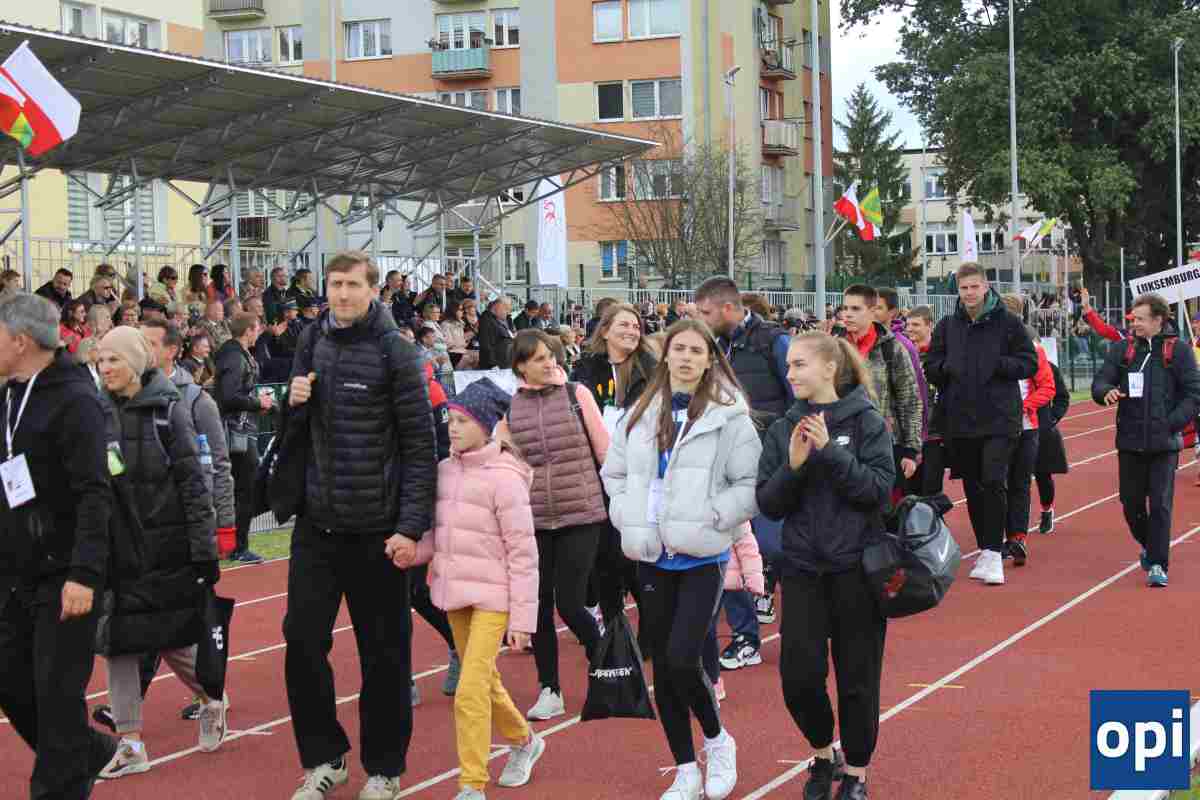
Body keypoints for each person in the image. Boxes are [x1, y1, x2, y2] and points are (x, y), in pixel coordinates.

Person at [283, 251, 436, 800]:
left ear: (373, 290)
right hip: (317, 526)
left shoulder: (397, 351)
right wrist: (292, 402)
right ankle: (325, 757)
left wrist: (410, 527)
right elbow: (296, 431)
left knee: (385, 656)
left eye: (352, 284)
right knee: (302, 644)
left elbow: (420, 445)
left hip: (379, 532)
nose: (342, 294)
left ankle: (384, 767)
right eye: (334, 284)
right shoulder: (311, 339)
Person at [601, 319, 760, 800]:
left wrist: (715, 517)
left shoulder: (729, 416)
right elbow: (614, 473)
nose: (687, 358)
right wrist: (627, 514)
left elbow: (748, 484)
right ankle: (685, 768)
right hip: (652, 554)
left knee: (682, 657)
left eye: (696, 350)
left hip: (701, 555)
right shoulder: (640, 412)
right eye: (679, 349)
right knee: (663, 672)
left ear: (710, 360)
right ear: (665, 355)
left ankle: (717, 739)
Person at [757, 331, 894, 800]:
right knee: (798, 678)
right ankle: (822, 753)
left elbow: (877, 492)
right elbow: (769, 504)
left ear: (829, 369)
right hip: (802, 571)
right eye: (789, 365)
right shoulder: (783, 428)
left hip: (856, 571)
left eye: (799, 364)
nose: (790, 372)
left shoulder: (866, 422)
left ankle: (856, 772)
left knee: (858, 681)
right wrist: (793, 466)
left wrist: (831, 452)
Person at [0, 294, 117, 800]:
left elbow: (95, 491)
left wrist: (84, 574)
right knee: (12, 683)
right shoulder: (9, 394)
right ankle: (85, 750)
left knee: (57, 693)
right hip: (14, 571)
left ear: (20, 341)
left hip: (65, 572)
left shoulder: (75, 399)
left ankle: (62, 780)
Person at [92, 327, 223, 779]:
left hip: (165, 548)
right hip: (117, 549)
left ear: (134, 361)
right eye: (100, 360)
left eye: (113, 359)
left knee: (172, 639)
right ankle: (131, 743)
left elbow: (193, 484)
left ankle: (211, 696)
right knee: (117, 641)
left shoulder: (169, 412)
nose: (105, 368)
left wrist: (204, 550)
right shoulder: (96, 413)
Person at [413, 378, 546, 799]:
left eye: (462, 421)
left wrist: (522, 620)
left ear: (486, 426)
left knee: (469, 691)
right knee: (484, 680)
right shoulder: (444, 471)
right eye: (450, 420)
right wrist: (412, 552)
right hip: (455, 595)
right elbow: (439, 536)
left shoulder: (506, 479)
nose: (452, 428)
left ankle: (472, 784)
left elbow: (523, 553)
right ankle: (525, 740)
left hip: (493, 598)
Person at [494, 330, 609, 721]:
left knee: (571, 603)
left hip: (581, 513)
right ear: (520, 366)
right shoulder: (510, 408)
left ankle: (605, 665)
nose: (548, 363)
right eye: (538, 358)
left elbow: (605, 450)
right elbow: (502, 463)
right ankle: (550, 688)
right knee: (538, 605)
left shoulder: (578, 395)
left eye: (551, 356)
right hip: (534, 518)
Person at [693, 277, 793, 663]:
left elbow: (797, 397)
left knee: (775, 548)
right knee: (726, 548)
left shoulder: (773, 341)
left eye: (705, 312)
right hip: (723, 465)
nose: (701, 319)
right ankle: (745, 636)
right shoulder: (711, 348)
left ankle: (798, 624)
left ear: (727, 308)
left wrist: (784, 448)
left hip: (770, 463)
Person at [925, 263, 1037, 586]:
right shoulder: (948, 326)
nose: (970, 293)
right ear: (958, 291)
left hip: (1000, 418)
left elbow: (1028, 362)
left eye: (975, 286)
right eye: (964, 288)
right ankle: (986, 548)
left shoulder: (1009, 323)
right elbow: (931, 366)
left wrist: (997, 365)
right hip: (960, 419)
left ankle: (993, 553)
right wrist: (947, 367)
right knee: (973, 485)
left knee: (993, 480)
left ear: (986, 287)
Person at [1092, 292, 1200, 587]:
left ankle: (1158, 564)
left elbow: (1194, 394)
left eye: (1140, 319)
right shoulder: (1122, 350)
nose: (1134, 324)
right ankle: (1150, 547)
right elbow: (1101, 380)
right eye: (1133, 319)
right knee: (1131, 504)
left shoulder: (1179, 351)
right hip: (1130, 441)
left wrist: (1171, 423)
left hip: (1164, 444)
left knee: (1161, 505)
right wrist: (1104, 392)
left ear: (1158, 320)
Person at [837, 285, 923, 501]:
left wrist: (911, 450)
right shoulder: (832, 346)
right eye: (845, 308)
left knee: (882, 509)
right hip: (840, 442)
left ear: (872, 310)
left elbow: (910, 400)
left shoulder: (891, 348)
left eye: (855, 309)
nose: (847, 314)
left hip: (882, 445)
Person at [214, 312, 273, 564]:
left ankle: (235, 545)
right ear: (248, 330)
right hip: (236, 431)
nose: (258, 333)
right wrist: (257, 402)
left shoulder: (235, 354)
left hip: (239, 428)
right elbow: (229, 396)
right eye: (256, 328)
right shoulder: (234, 356)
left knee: (242, 489)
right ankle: (238, 547)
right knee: (245, 489)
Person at [904, 306, 945, 495]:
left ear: (929, 325)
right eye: (908, 325)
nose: (910, 329)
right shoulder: (903, 353)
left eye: (916, 324)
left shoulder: (940, 354)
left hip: (933, 433)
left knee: (931, 489)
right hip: (909, 432)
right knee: (909, 490)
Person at [1033, 352, 1070, 534]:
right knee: (1011, 478)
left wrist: (1052, 417)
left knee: (1043, 475)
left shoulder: (1048, 367)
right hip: (1012, 428)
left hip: (1041, 429)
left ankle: (1047, 510)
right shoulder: (1010, 365)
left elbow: (1062, 397)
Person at [477, 297, 515, 370]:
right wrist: (493, 364)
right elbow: (486, 344)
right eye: (506, 309)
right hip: (494, 365)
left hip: (505, 362)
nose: (508, 312)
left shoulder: (502, 320)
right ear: (497, 306)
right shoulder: (486, 320)